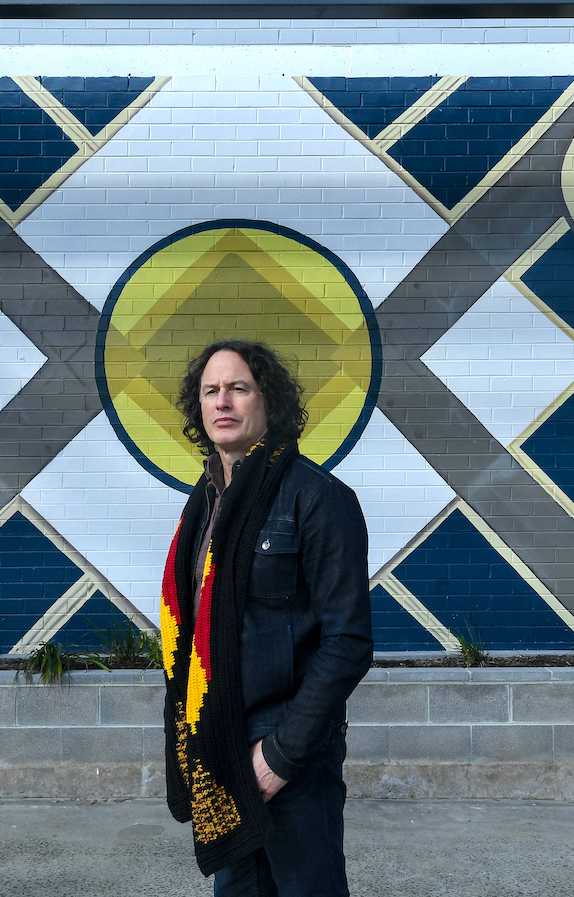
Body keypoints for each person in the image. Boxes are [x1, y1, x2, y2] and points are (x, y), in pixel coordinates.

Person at [160, 338, 374, 896]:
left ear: (268, 401)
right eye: (211, 390)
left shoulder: (318, 498)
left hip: (289, 755)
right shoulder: (206, 502)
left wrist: (281, 754)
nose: (222, 401)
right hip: (222, 746)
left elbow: (348, 642)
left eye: (239, 388)